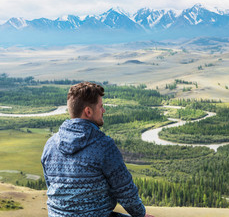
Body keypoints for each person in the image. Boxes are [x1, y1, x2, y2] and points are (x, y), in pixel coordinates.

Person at [41, 82, 154, 217]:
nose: (103, 110)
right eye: (101, 106)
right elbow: (125, 191)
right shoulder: (103, 145)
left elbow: (52, 186)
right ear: (88, 111)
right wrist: (141, 214)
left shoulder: (50, 144)